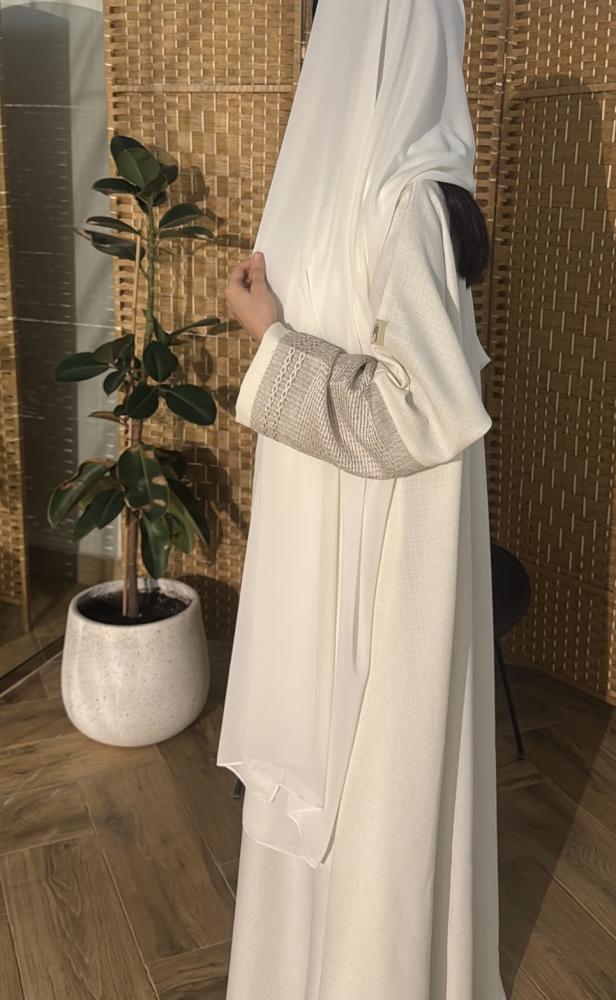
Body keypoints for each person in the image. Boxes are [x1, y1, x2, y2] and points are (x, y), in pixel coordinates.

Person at [216, 1, 507, 997]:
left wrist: (272, 340)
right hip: (346, 529)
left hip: (391, 559)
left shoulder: (406, 201)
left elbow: (425, 407)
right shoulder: (369, 186)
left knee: (372, 786)